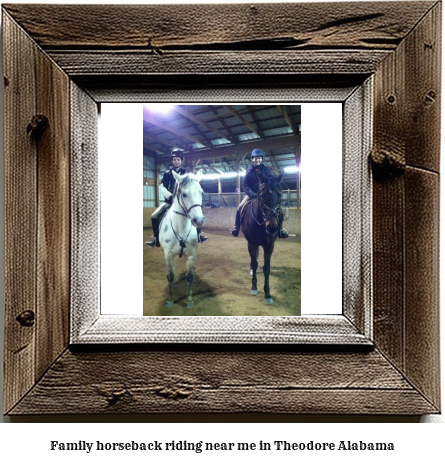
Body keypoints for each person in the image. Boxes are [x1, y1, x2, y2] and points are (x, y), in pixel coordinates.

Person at [146, 149, 208, 247]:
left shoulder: (185, 173)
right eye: (174, 159)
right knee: (154, 215)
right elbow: (162, 187)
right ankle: (156, 238)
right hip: (169, 201)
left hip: (182, 202)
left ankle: (198, 235)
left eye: (178, 160)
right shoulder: (167, 173)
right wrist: (170, 196)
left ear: (181, 161)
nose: (176, 161)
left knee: (196, 213)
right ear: (172, 161)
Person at [231, 148, 288, 238]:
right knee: (239, 207)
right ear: (252, 159)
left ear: (261, 159)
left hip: (264, 194)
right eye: (255, 158)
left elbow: (271, 179)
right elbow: (245, 185)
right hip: (252, 195)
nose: (257, 160)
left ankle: (280, 229)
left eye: (259, 158)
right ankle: (236, 227)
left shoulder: (266, 170)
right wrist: (252, 194)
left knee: (278, 208)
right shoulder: (249, 171)